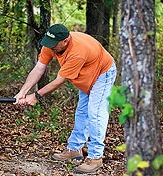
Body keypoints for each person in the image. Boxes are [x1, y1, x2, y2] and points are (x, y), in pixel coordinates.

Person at [14, 24, 116, 174]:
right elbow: (39, 68)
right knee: (82, 112)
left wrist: (36, 96)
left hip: (102, 73)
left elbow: (58, 81)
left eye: (54, 46)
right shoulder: (50, 44)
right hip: (85, 77)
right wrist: (22, 92)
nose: (51, 48)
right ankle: (75, 149)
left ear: (66, 41)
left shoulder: (78, 51)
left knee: (95, 114)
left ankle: (95, 157)